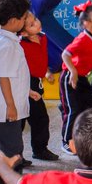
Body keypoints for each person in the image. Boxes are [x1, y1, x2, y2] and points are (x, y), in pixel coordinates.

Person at [0, 0, 32, 162]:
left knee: (7, 140)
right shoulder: (7, 46)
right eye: (24, 18)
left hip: (3, 103)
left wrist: (28, 91)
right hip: (7, 108)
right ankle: (12, 179)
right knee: (12, 148)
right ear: (14, 21)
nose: (25, 21)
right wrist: (11, 106)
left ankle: (10, 158)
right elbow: (3, 77)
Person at [60, 4, 92, 146]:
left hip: (82, 78)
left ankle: (83, 137)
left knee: (88, 108)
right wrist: (73, 71)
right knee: (73, 110)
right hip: (70, 77)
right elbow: (65, 54)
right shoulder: (82, 38)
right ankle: (67, 142)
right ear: (87, 23)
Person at [19, 11, 58, 162]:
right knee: (20, 122)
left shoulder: (42, 37)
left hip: (37, 82)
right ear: (22, 32)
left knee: (41, 119)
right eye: (31, 24)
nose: (37, 23)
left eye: (35, 19)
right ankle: (14, 154)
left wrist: (46, 71)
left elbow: (41, 59)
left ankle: (40, 149)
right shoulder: (20, 44)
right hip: (25, 83)